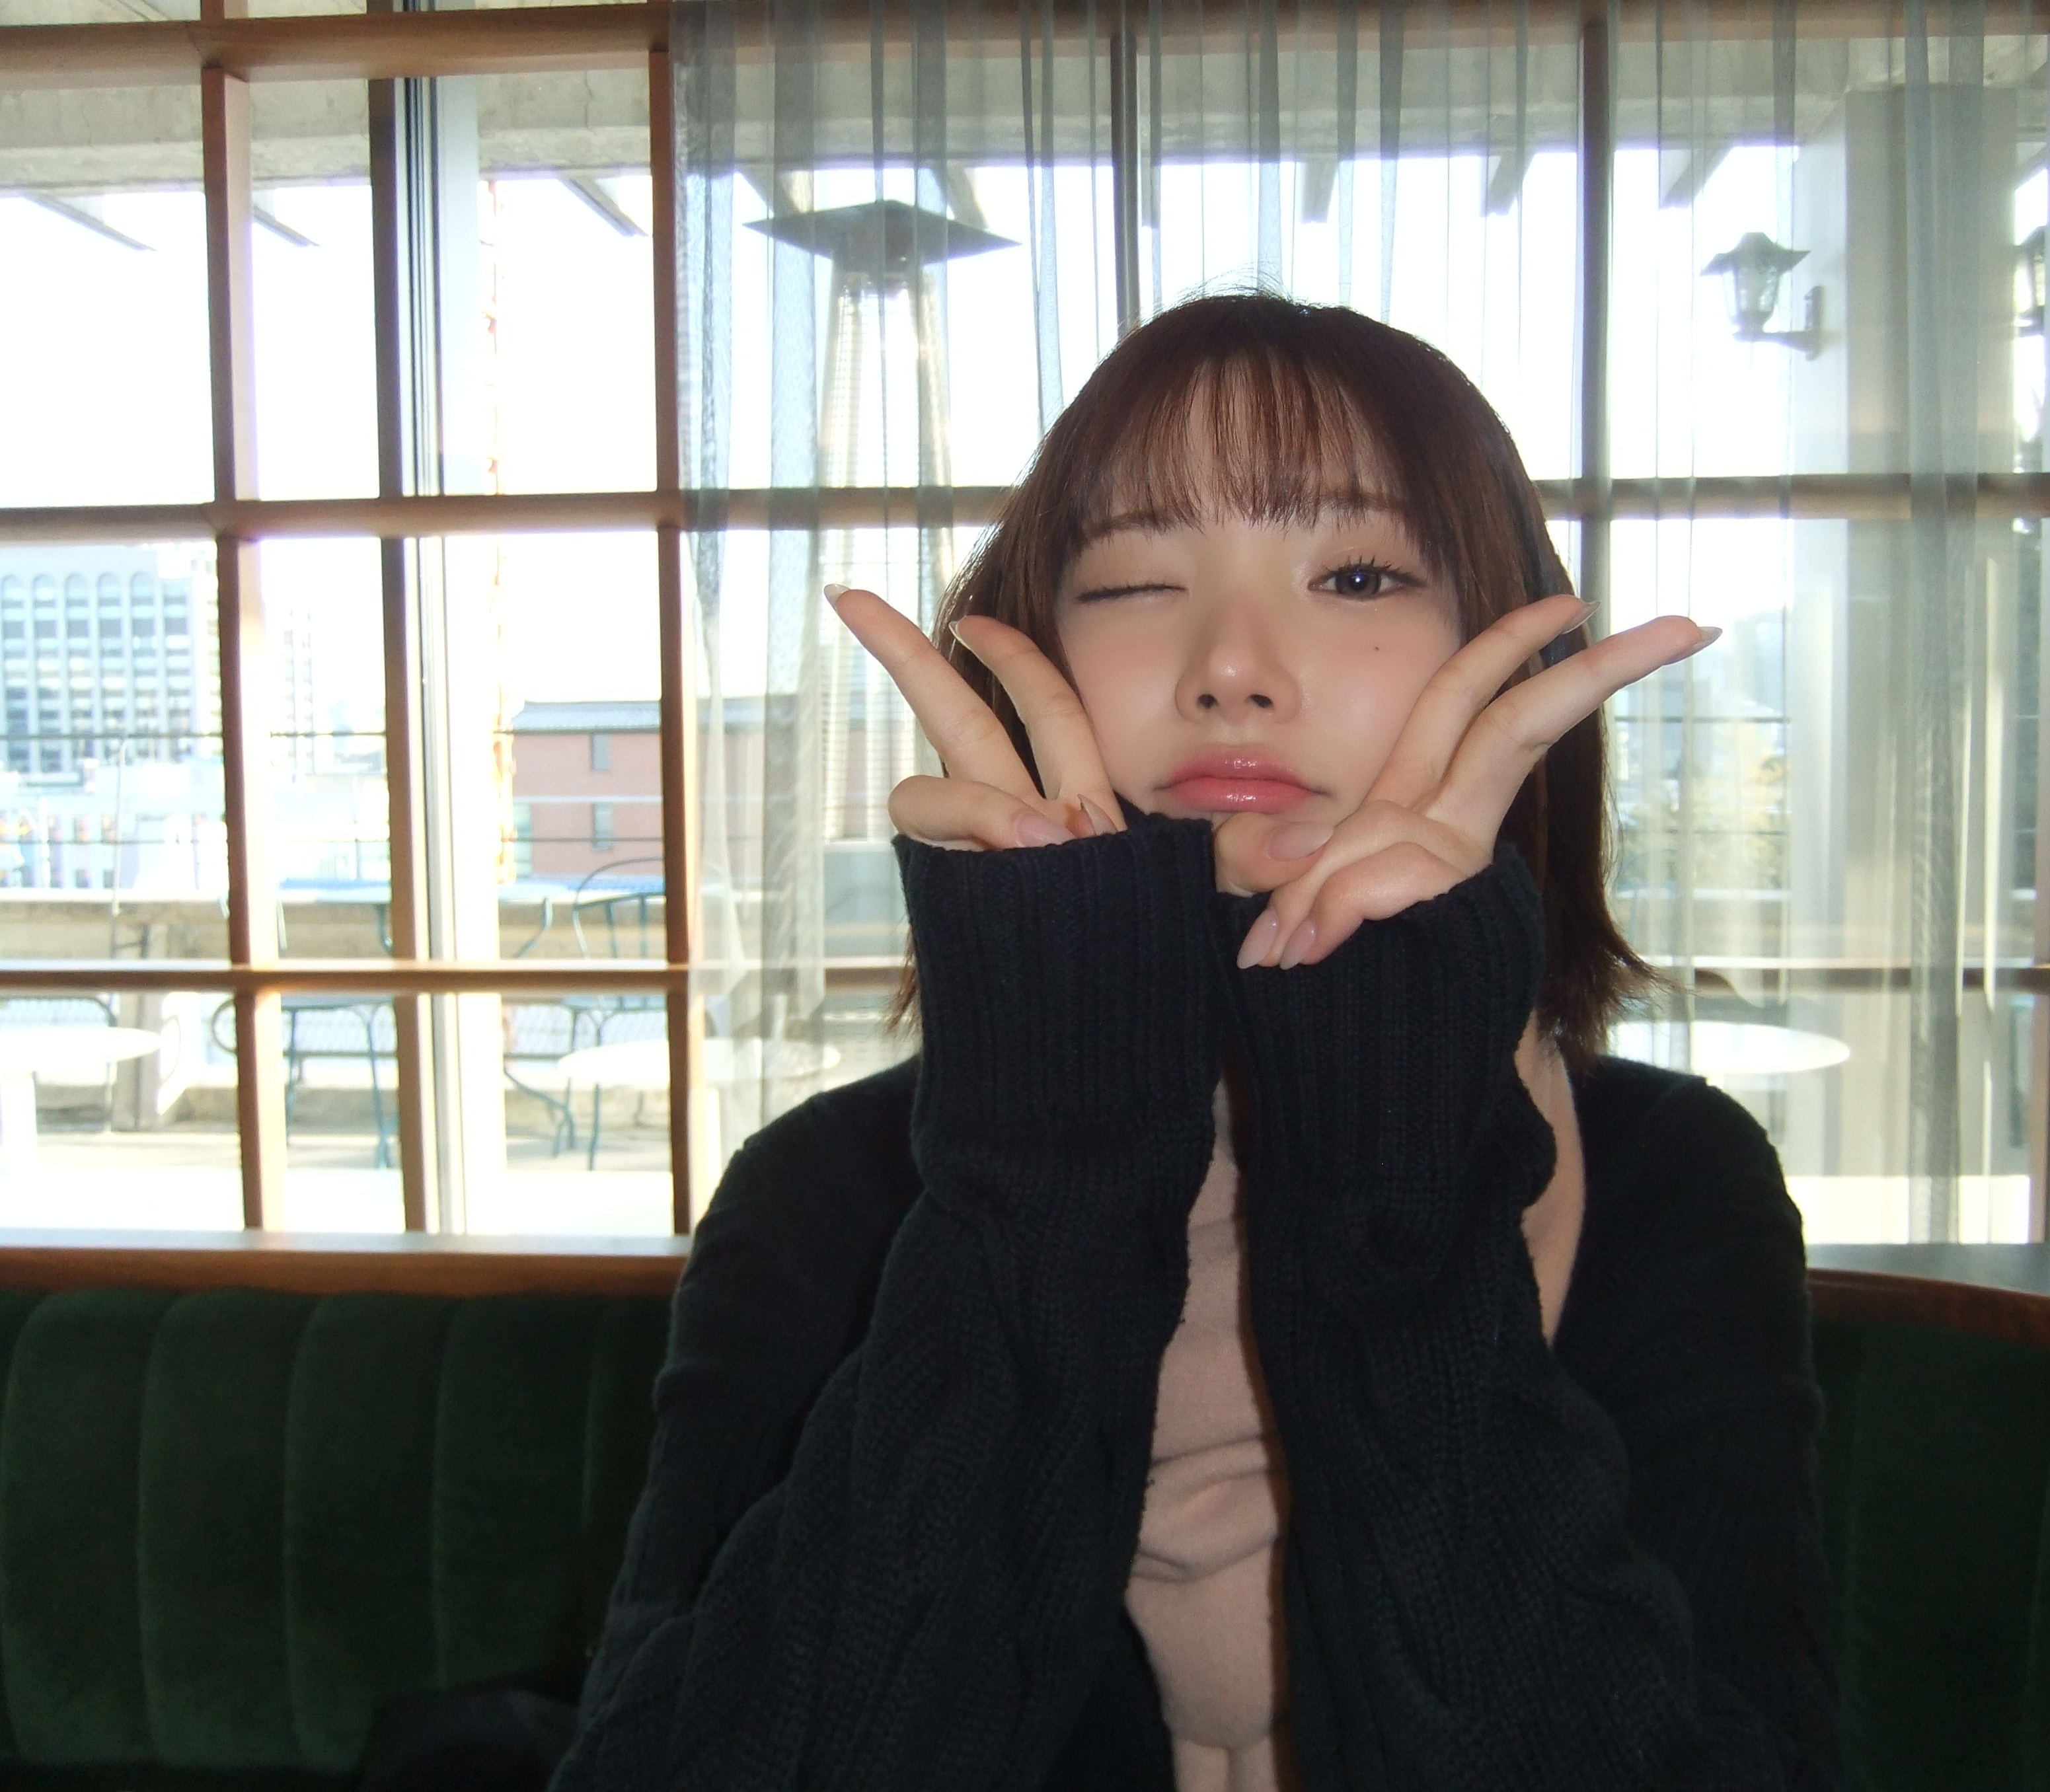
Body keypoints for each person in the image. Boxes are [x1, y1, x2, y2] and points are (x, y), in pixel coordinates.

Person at [553, 293, 1840, 1792]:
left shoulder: (1667, 1177)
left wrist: (1396, 1169)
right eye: (1135, 580)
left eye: (1355, 574)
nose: (1232, 665)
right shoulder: (825, 1193)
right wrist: (1043, 1173)